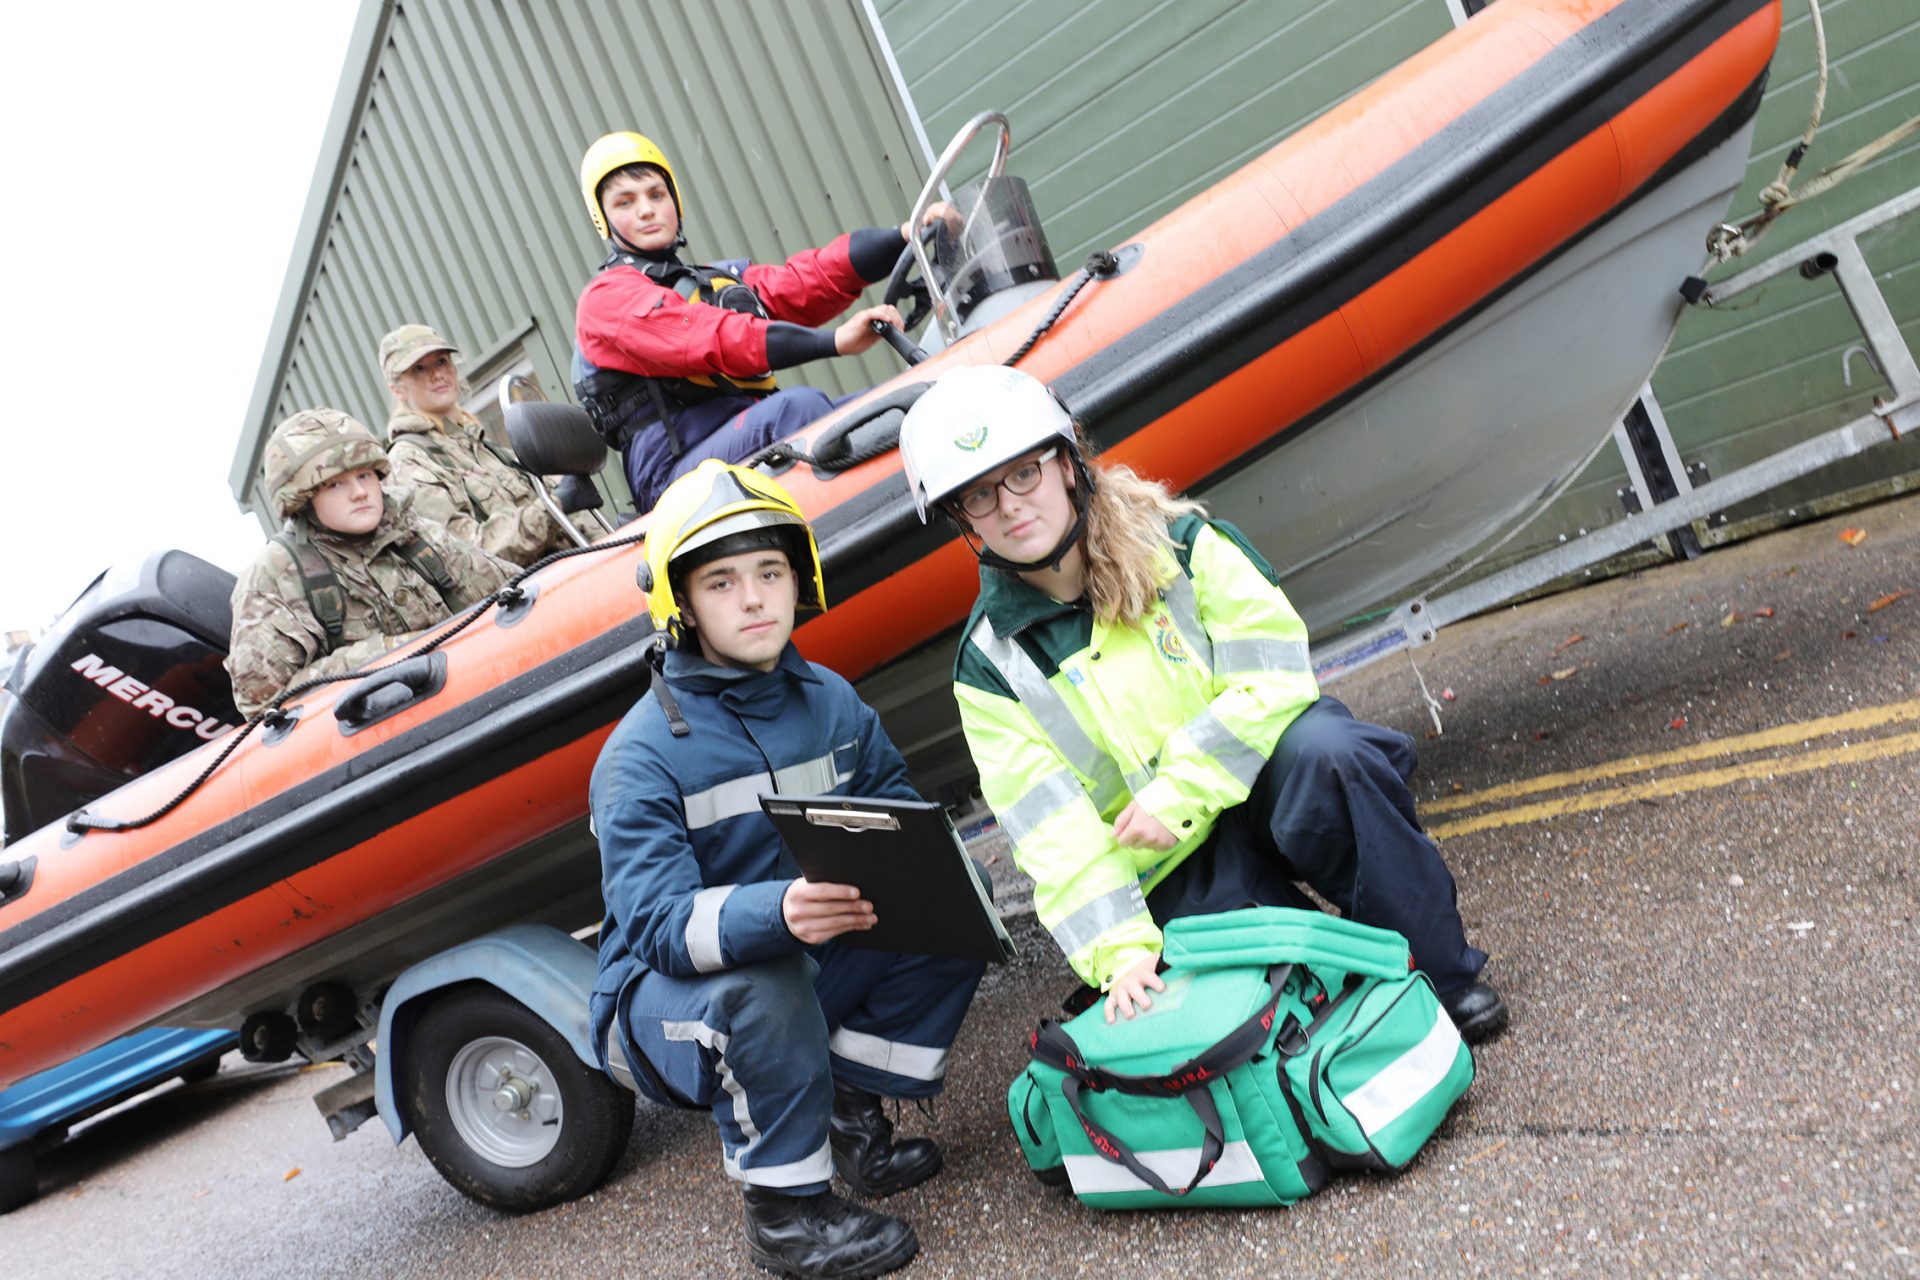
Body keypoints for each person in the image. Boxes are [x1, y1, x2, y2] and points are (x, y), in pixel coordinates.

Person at [898, 365, 1508, 1042]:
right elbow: (1054, 836)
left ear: (1066, 464)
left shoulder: (1179, 545)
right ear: (961, 516)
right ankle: (1365, 1016)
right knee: (1293, 1008)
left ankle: (1441, 980)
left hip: (1262, 785)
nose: (1009, 505)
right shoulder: (990, 668)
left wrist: (1179, 791)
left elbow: (1274, 673)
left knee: (1333, 756)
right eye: (979, 495)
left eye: (1023, 473)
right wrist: (1121, 954)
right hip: (1171, 864)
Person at [588, 460, 985, 1279]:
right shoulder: (638, 755)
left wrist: (918, 882)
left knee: (953, 900)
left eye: (770, 573)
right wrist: (779, 914)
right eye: (722, 582)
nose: (754, 598)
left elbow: (899, 823)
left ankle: (849, 1114)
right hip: (664, 1003)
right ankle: (786, 1215)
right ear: (681, 603)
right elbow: (659, 927)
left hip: (803, 952)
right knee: (762, 981)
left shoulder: (831, 701)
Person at [572, 130, 928, 512]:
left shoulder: (710, 281)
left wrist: (905, 236)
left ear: (675, 200)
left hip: (745, 437)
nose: (646, 209)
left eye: (657, 195)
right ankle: (874, 516)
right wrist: (835, 342)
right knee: (797, 409)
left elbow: (803, 281)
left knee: (897, 400)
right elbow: (715, 337)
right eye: (625, 202)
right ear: (602, 218)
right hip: (673, 479)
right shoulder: (606, 299)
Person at [226, 408, 514, 719]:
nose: (360, 492)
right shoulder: (276, 577)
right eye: (335, 484)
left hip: (482, 696)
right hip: (386, 732)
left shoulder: (416, 534)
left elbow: (514, 591)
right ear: (303, 499)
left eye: (364, 475)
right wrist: (385, 652)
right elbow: (264, 707)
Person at [378, 323, 587, 567]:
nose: (436, 374)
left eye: (441, 362)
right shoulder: (410, 461)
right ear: (397, 390)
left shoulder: (479, 445)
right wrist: (553, 507)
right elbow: (471, 555)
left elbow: (568, 505)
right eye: (419, 369)